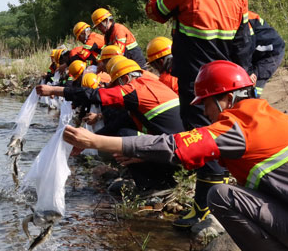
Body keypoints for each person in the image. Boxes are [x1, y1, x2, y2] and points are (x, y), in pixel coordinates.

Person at [63, 60, 288, 251]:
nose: (205, 112)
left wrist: (95, 141)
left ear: (227, 99)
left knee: (221, 195)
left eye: (206, 104)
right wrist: (142, 154)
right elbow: (198, 156)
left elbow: (173, 146)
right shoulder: (267, 117)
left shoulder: (238, 128)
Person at [145, 0, 254, 228]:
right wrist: (244, 79)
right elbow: (244, 41)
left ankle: (205, 209)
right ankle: (225, 202)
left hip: (198, 80)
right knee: (226, 134)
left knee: (203, 140)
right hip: (229, 80)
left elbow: (153, 11)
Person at [37, 56, 183, 191]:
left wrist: (54, 90)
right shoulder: (151, 84)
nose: (116, 88)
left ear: (125, 78)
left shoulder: (134, 90)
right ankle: (155, 178)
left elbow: (94, 95)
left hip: (173, 153)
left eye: (116, 84)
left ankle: (154, 187)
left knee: (125, 137)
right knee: (124, 132)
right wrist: (88, 142)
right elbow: (120, 122)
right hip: (180, 147)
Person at [248, 11, 285, 96]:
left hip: (270, 53)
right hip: (257, 52)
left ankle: (253, 100)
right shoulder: (243, 15)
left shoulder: (243, 19)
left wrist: (248, 71)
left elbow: (245, 49)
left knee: (252, 85)